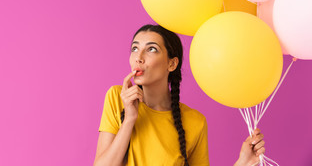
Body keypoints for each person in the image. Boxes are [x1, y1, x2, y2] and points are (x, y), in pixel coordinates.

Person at [94, 24, 265, 166]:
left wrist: (243, 162)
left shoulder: (194, 122)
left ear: (172, 63)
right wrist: (130, 119)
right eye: (134, 48)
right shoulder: (117, 97)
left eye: (151, 49)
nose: (138, 57)